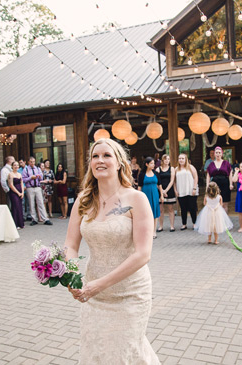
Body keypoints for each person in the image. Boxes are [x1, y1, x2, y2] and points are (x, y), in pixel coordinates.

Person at [62, 138, 159, 363]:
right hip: (93, 296)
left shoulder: (137, 199)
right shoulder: (83, 201)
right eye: (95, 156)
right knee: (97, 353)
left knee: (123, 353)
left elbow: (143, 254)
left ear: (120, 163)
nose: (100, 160)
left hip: (130, 294)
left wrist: (99, 284)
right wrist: (73, 274)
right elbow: (71, 245)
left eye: (107, 155)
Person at [23, 157, 52, 226]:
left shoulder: (37, 168)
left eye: (33, 162)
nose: (32, 163)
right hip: (30, 187)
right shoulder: (26, 169)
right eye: (31, 162)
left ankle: (45, 219)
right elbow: (23, 179)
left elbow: (41, 178)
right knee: (31, 204)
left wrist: (39, 176)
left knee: (41, 203)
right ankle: (34, 219)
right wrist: (30, 177)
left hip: (38, 187)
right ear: (28, 162)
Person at [175, 153, 198, 231]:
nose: (181, 160)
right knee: (183, 208)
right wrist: (175, 190)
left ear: (186, 159)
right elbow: (174, 181)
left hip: (190, 190)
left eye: (182, 158)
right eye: (179, 158)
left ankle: (194, 223)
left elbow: (195, 177)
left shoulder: (191, 167)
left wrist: (194, 188)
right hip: (181, 191)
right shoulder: (176, 169)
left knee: (192, 208)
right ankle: (184, 224)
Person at [140, 157, 161, 239]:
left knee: (155, 213)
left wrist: (162, 195)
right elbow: (139, 187)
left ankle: (154, 231)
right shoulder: (142, 174)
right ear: (147, 164)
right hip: (145, 195)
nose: (153, 165)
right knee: (146, 213)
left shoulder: (156, 173)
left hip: (155, 194)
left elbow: (159, 185)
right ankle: (146, 231)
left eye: (153, 163)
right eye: (151, 163)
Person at [156, 155, 177, 232]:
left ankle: (172, 226)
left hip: (169, 191)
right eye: (165, 159)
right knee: (161, 209)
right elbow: (156, 182)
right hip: (160, 191)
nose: (167, 160)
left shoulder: (172, 169)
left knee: (170, 209)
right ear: (162, 160)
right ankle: (161, 226)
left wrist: (166, 191)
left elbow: (172, 181)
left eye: (168, 159)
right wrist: (162, 191)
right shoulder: (158, 169)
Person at [5, 162, 25, 229]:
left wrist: (22, 192)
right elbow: (11, 185)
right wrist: (18, 193)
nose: (16, 166)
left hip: (20, 191)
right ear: (12, 166)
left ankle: (21, 223)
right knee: (15, 207)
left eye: (17, 165)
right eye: (14, 165)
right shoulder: (10, 174)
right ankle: (15, 224)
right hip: (14, 193)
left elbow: (22, 183)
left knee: (20, 206)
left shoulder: (19, 174)